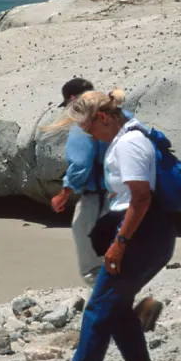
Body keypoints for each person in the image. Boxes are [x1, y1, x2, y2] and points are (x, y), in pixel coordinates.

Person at [40, 90, 172, 361]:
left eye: (89, 129)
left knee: (98, 308)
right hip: (149, 234)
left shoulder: (128, 143)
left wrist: (119, 243)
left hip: (141, 236)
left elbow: (140, 198)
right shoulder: (131, 136)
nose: (90, 136)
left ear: (102, 118)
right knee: (116, 311)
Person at [52, 78, 110, 285]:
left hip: (99, 198)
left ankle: (110, 310)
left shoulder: (84, 124)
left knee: (92, 266)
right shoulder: (117, 115)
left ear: (73, 99)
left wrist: (64, 192)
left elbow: (81, 164)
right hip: (127, 194)